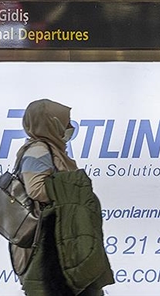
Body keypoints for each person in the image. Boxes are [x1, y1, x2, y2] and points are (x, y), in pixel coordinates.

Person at [11, 99, 113, 296]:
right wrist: (74, 186)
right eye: (65, 123)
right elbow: (36, 190)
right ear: (51, 123)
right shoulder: (38, 151)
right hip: (50, 241)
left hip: (62, 236)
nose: (70, 127)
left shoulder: (52, 150)